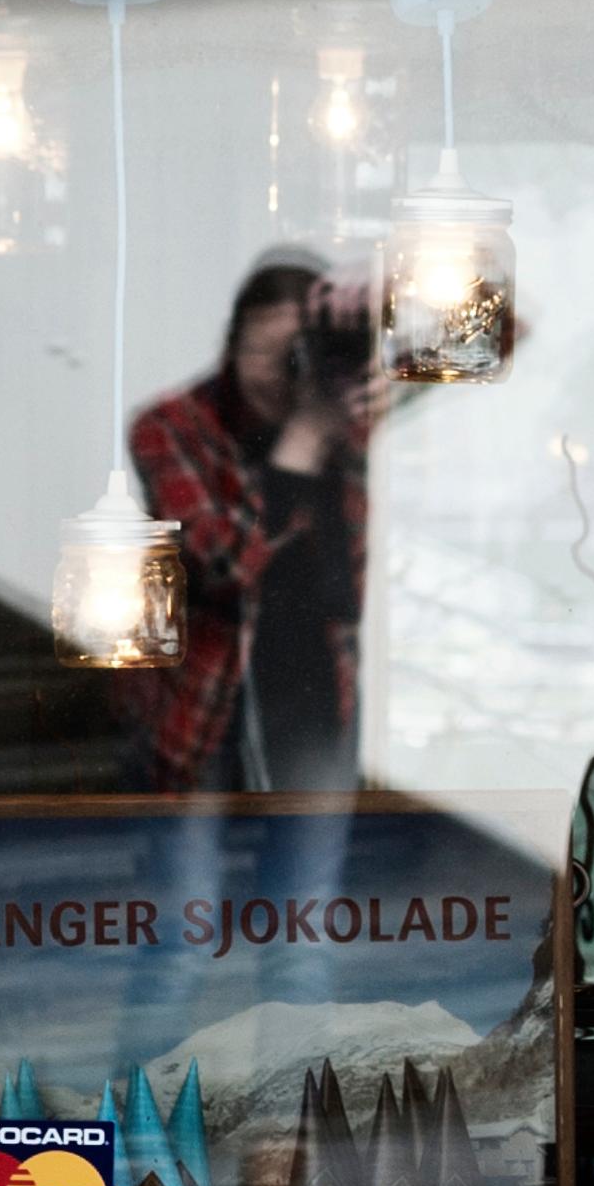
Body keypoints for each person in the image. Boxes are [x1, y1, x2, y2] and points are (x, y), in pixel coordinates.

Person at [123, 254, 371, 794]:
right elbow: (225, 565)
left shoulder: (348, 409)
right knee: (190, 852)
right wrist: (304, 440)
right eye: (261, 350)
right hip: (199, 692)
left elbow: (500, 339)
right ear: (231, 346)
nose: (278, 373)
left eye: (296, 352)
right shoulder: (171, 427)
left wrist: (389, 289)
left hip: (318, 686)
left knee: (312, 853)